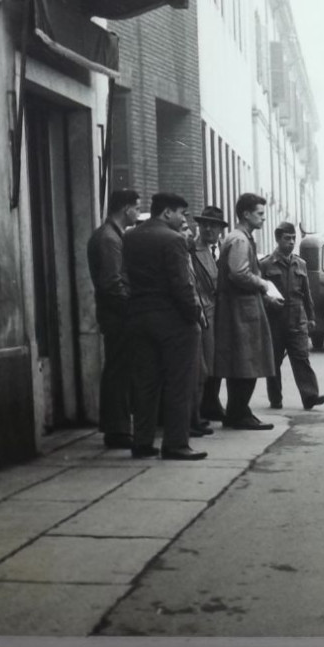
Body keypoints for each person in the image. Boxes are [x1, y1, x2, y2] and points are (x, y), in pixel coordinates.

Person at [122, 192, 206, 461]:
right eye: (181, 213)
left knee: (146, 384)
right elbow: (182, 284)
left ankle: (143, 442)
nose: (183, 219)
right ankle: (175, 444)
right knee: (179, 384)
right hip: (173, 322)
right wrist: (193, 315)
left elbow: (124, 278)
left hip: (139, 318)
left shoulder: (131, 236)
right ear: (167, 212)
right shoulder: (173, 239)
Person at [214, 192, 283, 429]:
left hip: (240, 307)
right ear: (246, 214)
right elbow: (239, 273)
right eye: (260, 214)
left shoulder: (238, 238)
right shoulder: (241, 241)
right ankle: (239, 414)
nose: (264, 218)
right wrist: (263, 285)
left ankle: (238, 411)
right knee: (247, 361)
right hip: (241, 311)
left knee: (241, 362)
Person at [87, 188, 139, 449]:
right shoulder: (110, 239)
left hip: (115, 314)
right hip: (118, 315)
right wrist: (132, 307)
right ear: (125, 208)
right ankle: (117, 430)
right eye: (136, 208)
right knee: (119, 370)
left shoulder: (111, 235)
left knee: (118, 369)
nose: (137, 213)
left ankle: (116, 427)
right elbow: (112, 283)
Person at [262, 221, 324, 410]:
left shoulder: (301, 264)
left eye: (293, 239)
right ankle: (275, 398)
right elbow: (259, 293)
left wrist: (312, 317)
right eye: (286, 238)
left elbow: (306, 294)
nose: (290, 242)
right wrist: (269, 302)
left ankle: (310, 396)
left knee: (301, 358)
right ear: (277, 239)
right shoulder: (265, 264)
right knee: (273, 361)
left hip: (297, 320)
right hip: (274, 321)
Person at [190, 205, 228, 428]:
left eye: (213, 225)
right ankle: (204, 406)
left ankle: (212, 403)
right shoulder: (192, 250)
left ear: (220, 229)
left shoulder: (224, 249)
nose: (208, 229)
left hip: (223, 311)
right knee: (206, 362)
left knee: (219, 360)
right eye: (204, 224)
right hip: (205, 311)